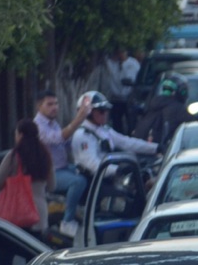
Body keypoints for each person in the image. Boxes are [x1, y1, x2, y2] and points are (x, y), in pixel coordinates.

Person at [67, 88, 159, 229]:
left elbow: (127, 142)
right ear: (88, 113)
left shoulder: (103, 130)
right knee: (124, 203)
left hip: (108, 177)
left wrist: (155, 148)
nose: (105, 114)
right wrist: (117, 170)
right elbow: (92, 164)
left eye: (106, 110)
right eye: (101, 111)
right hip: (94, 182)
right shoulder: (82, 135)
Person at [0, 119, 53, 263]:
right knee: (34, 261)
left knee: (5, 260)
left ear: (19, 135)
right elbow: (52, 185)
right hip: (38, 215)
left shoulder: (13, 156)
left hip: (15, 214)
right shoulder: (45, 155)